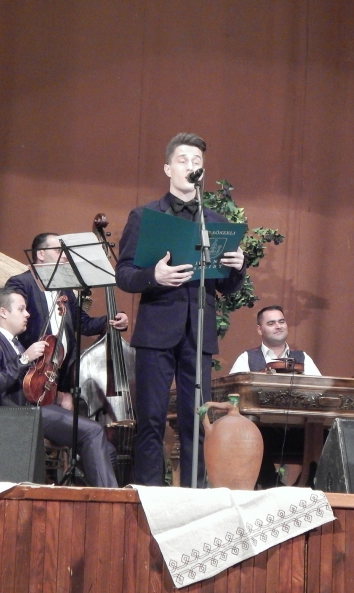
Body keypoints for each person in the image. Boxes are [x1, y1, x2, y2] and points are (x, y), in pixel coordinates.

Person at [116, 132, 246, 487]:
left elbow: (226, 287)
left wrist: (238, 267)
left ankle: (194, 495)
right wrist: (154, 276)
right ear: (168, 168)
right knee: (151, 419)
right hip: (156, 332)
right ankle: (148, 493)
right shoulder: (144, 216)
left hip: (197, 332)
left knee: (196, 420)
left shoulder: (215, 221)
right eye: (183, 160)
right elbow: (124, 275)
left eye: (197, 162)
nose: (191, 166)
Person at [0, 289, 118, 487]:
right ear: (3, 312)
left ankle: (95, 494)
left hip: (33, 411)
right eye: (21, 309)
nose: (27, 314)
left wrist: (57, 395)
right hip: (15, 414)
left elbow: (30, 385)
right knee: (93, 431)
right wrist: (25, 359)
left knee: (108, 450)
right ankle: (110, 498)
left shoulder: (16, 344)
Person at [6, 233, 129, 408]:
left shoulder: (65, 287)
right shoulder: (21, 283)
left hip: (64, 371)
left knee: (67, 419)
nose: (65, 255)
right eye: (59, 250)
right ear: (41, 254)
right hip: (35, 369)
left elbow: (83, 323)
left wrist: (113, 319)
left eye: (65, 251)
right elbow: (11, 321)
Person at [229, 305, 321, 375]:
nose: (278, 326)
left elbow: (319, 388)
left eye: (281, 322)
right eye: (271, 323)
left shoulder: (302, 357)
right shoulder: (246, 358)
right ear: (260, 330)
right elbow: (232, 390)